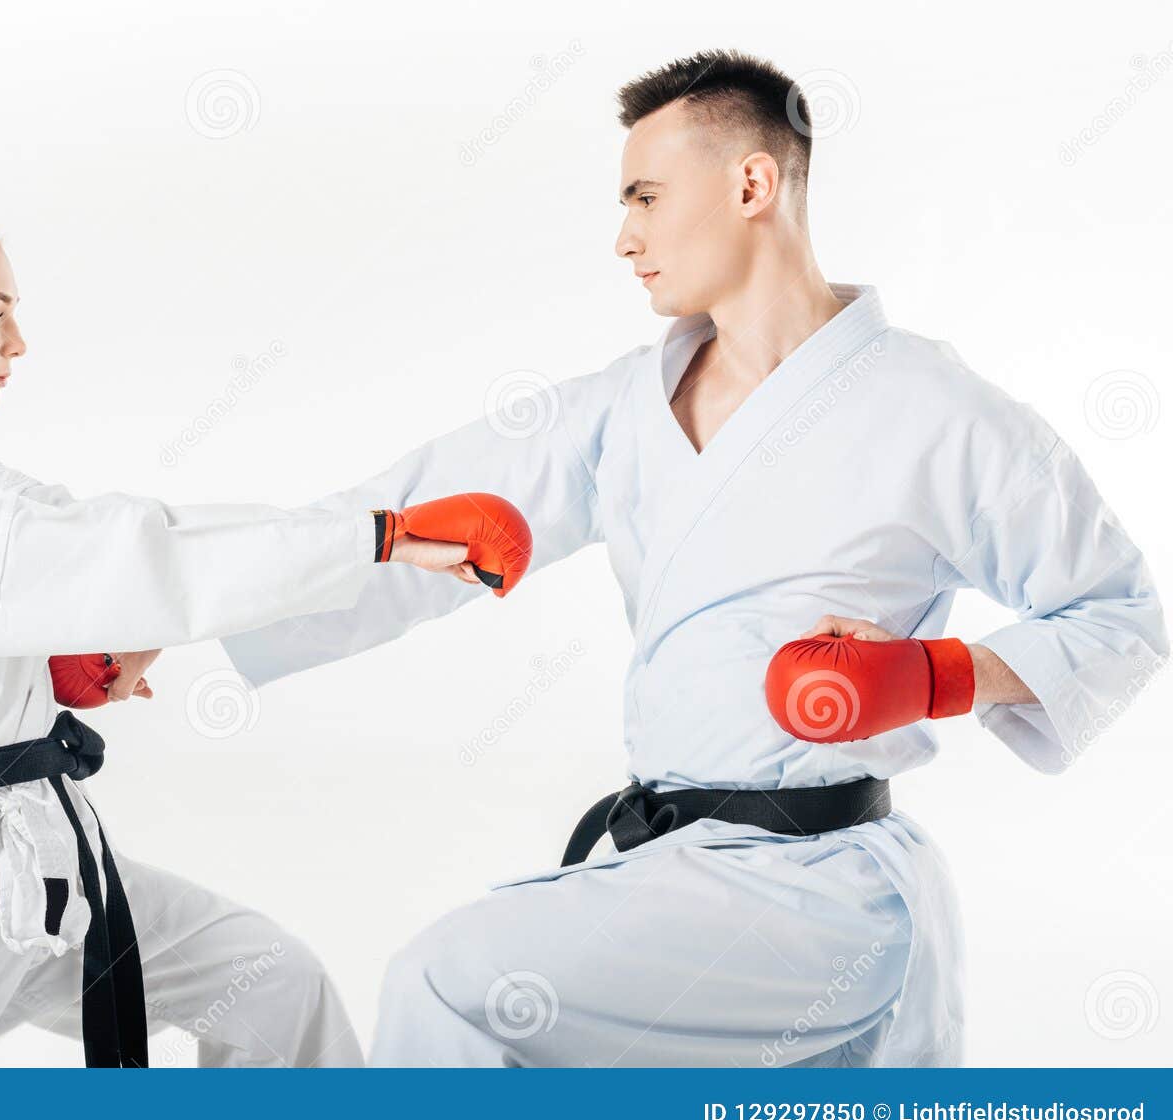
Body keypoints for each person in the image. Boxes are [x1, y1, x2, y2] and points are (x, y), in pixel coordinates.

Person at [221, 50, 1168, 1066]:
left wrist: (935, 677)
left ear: (751, 184)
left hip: (822, 893)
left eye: (645, 196)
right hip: (677, 876)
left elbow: (1119, 616)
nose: (624, 238)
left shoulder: (936, 412)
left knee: (451, 986)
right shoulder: (621, 409)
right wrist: (179, 616)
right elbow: (410, 519)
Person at [0, 200, 527, 1067]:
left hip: (47, 866)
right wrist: (381, 538)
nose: (16, 342)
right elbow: (158, 561)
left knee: (270, 983)